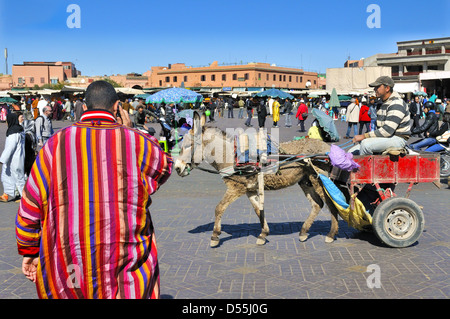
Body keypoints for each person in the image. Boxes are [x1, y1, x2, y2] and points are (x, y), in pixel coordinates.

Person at [15, 80, 173, 299]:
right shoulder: (136, 142)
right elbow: (164, 166)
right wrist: (131, 131)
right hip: (125, 257)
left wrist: (29, 249)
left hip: (72, 262)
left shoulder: (55, 144)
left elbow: (31, 204)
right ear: (117, 107)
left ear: (85, 108)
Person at [352, 76, 411, 155]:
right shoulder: (382, 103)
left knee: (366, 145)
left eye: (377, 87)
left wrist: (364, 136)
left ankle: (367, 167)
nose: (374, 89)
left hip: (398, 138)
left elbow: (387, 131)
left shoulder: (396, 103)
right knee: (351, 152)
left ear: (387, 88)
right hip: (386, 138)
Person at [0, 112, 26, 202]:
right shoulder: (18, 129)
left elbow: (10, 148)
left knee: (18, 178)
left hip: (14, 159)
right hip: (15, 159)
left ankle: (24, 197)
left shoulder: (13, 133)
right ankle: (5, 195)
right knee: (7, 177)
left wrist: (2, 159)